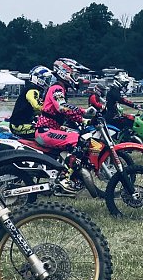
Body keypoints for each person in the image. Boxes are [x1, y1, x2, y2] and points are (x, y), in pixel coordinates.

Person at [35, 58, 87, 192]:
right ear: (64, 72)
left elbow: (67, 112)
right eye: (74, 74)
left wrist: (84, 120)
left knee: (75, 136)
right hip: (45, 131)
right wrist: (84, 111)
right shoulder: (57, 88)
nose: (76, 78)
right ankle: (64, 179)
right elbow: (62, 107)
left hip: (48, 130)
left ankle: (67, 173)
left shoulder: (60, 88)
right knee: (77, 141)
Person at [8, 66, 51, 138]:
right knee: (48, 132)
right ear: (39, 79)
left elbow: (35, 110)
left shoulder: (34, 89)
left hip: (22, 123)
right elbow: (37, 106)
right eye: (47, 79)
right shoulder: (32, 90)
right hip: (19, 125)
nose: (49, 82)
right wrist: (52, 110)